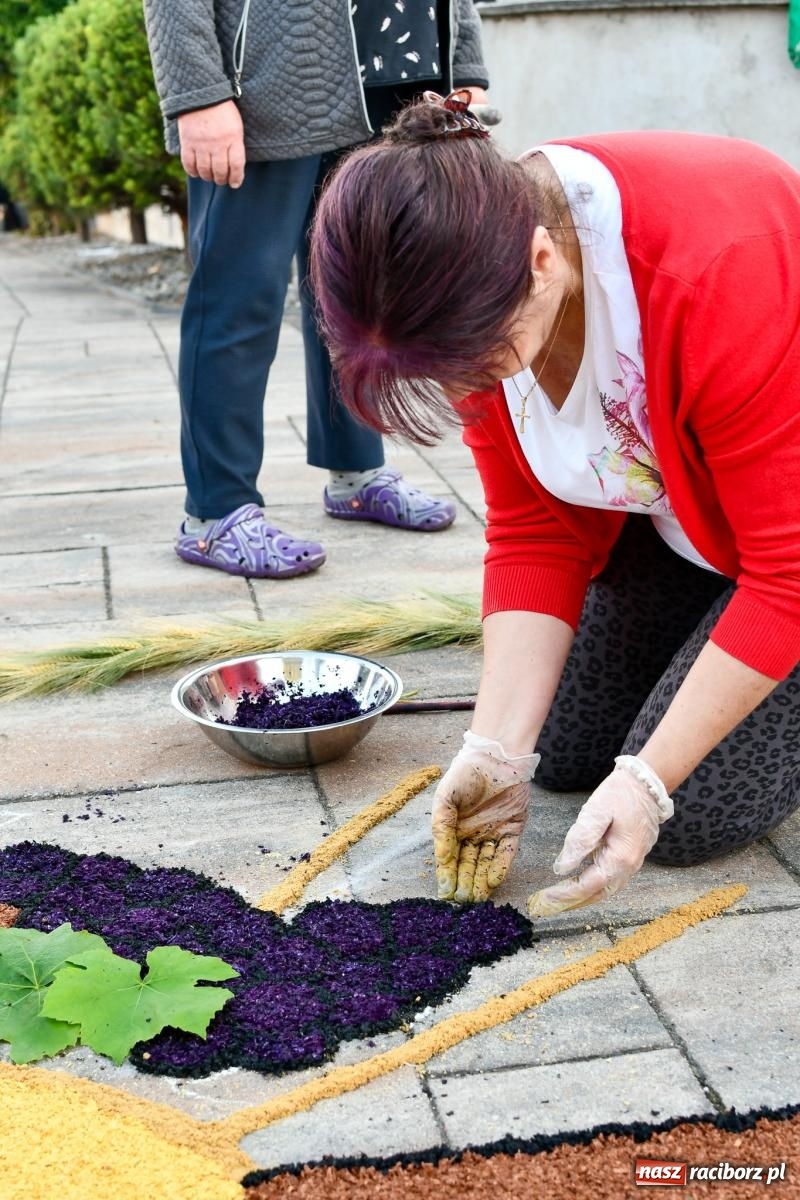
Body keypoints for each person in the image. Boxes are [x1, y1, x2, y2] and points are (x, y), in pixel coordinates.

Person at [309, 92, 800, 915]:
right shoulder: (464, 277)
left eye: (477, 364)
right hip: (696, 527)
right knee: (562, 750)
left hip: (784, 553)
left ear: (543, 262)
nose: (467, 390)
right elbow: (534, 530)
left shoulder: (718, 268)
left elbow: (788, 573)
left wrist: (648, 782)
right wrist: (495, 752)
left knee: (685, 815)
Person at [143, 2, 490, 578]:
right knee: (239, 298)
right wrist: (196, 93)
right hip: (268, 84)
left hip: (392, 84)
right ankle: (215, 513)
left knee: (357, 290)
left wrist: (464, 64)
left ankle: (356, 472)